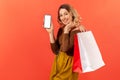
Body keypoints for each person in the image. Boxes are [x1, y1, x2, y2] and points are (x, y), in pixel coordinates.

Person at [45, 4, 85, 80]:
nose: (63, 17)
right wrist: (50, 33)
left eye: (66, 14)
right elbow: (56, 51)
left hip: (68, 68)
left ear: (71, 14)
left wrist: (66, 30)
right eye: (61, 15)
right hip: (58, 64)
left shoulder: (77, 31)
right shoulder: (61, 30)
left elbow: (65, 49)